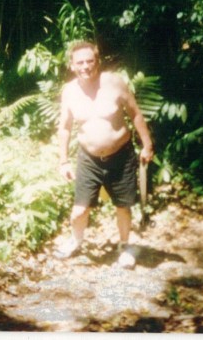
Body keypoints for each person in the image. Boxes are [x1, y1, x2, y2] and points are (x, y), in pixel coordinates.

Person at [54, 40, 154, 269]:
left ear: (97, 61)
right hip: (88, 158)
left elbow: (135, 114)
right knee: (79, 210)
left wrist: (147, 145)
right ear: (71, 65)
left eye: (90, 61)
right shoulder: (69, 91)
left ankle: (125, 246)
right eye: (80, 62)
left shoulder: (114, 83)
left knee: (123, 206)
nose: (85, 66)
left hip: (121, 155)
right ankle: (75, 240)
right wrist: (63, 161)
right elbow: (65, 127)